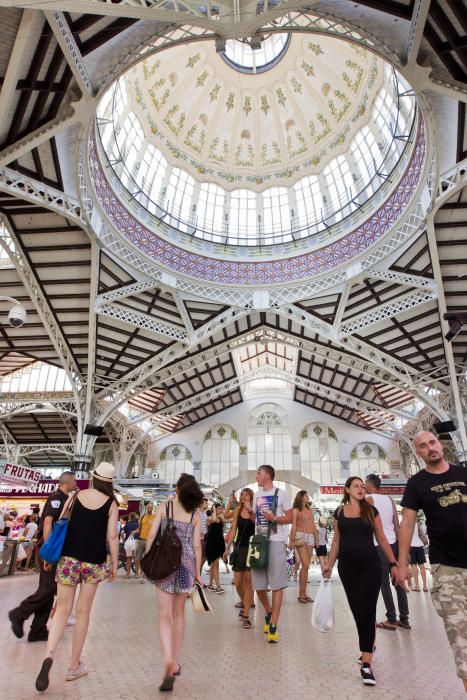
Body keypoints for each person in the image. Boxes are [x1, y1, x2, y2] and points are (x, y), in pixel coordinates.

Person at [34, 461, 119, 692]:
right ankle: (73, 666)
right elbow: (112, 536)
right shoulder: (111, 503)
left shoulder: (75, 496)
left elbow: (61, 521)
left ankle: (49, 656)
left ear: (94, 477)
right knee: (83, 612)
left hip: (68, 559)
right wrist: (115, 562)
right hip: (94, 561)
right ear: (110, 482)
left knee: (62, 608)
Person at [396, 431, 467, 692]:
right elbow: (407, 524)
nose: (430, 448)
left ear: (441, 445)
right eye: (423, 446)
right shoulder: (417, 483)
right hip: (446, 568)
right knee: (461, 638)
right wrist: (402, 565)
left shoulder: (463, 473)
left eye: (433, 443)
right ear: (418, 453)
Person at [324, 476, 399, 687]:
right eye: (356, 486)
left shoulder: (370, 511)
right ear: (347, 489)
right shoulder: (339, 512)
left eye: (362, 486)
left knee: (367, 610)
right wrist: (329, 564)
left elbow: (382, 538)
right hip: (347, 569)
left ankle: (366, 663)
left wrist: (394, 563)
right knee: (357, 610)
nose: (360, 489)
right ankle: (369, 642)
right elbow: (336, 541)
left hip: (370, 566)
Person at [146, 473, 203, 692]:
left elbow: (151, 536)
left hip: (164, 563)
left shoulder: (165, 507)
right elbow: (197, 546)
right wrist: (197, 572)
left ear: (177, 490)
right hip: (186, 564)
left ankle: (168, 658)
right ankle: (175, 660)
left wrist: (148, 558)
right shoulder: (195, 514)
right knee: (179, 614)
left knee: (164, 616)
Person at [8, 472, 77, 643]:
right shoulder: (56, 498)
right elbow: (47, 523)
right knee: (49, 588)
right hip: (49, 550)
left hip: (55, 550)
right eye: (74, 480)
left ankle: (38, 630)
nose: (76, 483)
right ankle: (18, 613)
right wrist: (48, 550)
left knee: (49, 589)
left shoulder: (65, 498)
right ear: (68, 481)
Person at [253, 464, 292, 644]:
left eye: (259, 473)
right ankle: (268, 610)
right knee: (258, 584)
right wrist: (248, 511)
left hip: (276, 541)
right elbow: (256, 519)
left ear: (267, 476)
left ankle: (274, 624)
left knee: (277, 584)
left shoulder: (281, 494)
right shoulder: (256, 495)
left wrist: (275, 518)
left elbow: (291, 517)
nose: (256, 476)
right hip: (259, 542)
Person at [365, 473, 410, 630]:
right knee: (398, 581)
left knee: (383, 582)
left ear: (370, 485)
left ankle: (391, 618)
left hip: (380, 545)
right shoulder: (390, 500)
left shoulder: (368, 500)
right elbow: (396, 524)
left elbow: (367, 524)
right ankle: (404, 618)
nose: (363, 487)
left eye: (365, 484)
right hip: (394, 544)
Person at [223, 487, 255, 628]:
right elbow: (234, 528)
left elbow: (258, 524)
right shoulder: (237, 511)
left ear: (251, 497)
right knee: (237, 582)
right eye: (242, 494)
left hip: (252, 549)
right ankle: (245, 602)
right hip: (239, 548)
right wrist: (227, 547)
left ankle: (246, 614)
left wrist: (251, 511)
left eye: (246, 495)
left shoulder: (255, 511)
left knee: (249, 582)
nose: (243, 496)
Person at [289, 490, 318, 603]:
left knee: (306, 567)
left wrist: (316, 537)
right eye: (306, 495)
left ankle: (303, 594)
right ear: (301, 497)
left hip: (310, 536)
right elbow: (294, 525)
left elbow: (313, 524)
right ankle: (301, 594)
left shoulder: (310, 510)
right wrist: (291, 540)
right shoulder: (296, 510)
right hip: (300, 536)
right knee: (305, 564)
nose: (307, 497)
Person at [205, 503, 226, 593]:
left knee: (214, 565)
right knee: (215, 564)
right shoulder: (209, 518)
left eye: (221, 509)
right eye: (219, 509)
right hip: (211, 544)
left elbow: (229, 519)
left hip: (219, 544)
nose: (221, 510)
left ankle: (210, 585)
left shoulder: (221, 519)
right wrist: (213, 510)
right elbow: (213, 519)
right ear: (214, 509)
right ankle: (218, 586)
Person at [134, 502, 155, 581]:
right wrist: (134, 531)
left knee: (147, 559)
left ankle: (144, 574)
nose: (150, 509)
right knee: (137, 557)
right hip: (141, 540)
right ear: (146, 508)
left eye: (151, 507)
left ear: (153, 508)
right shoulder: (142, 517)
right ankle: (136, 573)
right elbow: (139, 529)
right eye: (148, 507)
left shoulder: (155, 517)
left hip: (150, 541)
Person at [410, 521, 428, 591]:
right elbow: (422, 534)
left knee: (414, 565)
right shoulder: (417, 523)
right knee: (422, 566)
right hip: (420, 545)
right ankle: (425, 586)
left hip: (411, 546)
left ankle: (417, 586)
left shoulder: (405, 523)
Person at [123, 512, 139, 578]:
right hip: (136, 541)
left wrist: (123, 540)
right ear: (135, 517)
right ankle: (136, 574)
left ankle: (128, 573)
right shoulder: (138, 525)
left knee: (128, 558)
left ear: (129, 517)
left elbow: (122, 532)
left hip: (128, 542)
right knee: (136, 558)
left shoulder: (127, 525)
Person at [199, 496, 209, 580]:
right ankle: (197, 578)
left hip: (204, 539)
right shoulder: (198, 514)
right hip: (200, 540)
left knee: (203, 558)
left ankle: (198, 578)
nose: (207, 504)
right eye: (205, 503)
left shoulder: (204, 514)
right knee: (201, 559)